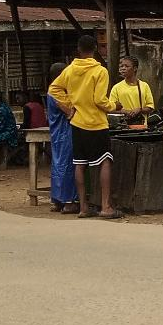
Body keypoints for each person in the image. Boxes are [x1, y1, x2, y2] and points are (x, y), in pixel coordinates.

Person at [48, 35, 122, 219]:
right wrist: (114, 106)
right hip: (96, 123)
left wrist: (69, 106)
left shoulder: (70, 69)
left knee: (80, 164)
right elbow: (100, 100)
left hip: (77, 123)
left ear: (78, 49)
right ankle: (106, 206)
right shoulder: (100, 71)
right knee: (105, 161)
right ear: (95, 48)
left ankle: (83, 208)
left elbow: (53, 89)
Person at [45, 63, 78, 213]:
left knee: (58, 165)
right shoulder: (57, 93)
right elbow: (70, 112)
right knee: (67, 165)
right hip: (65, 133)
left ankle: (57, 200)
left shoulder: (53, 91)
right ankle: (68, 201)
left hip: (57, 133)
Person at [109, 55, 155, 126]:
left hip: (141, 126)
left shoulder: (144, 86)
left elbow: (150, 107)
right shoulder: (116, 87)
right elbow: (111, 108)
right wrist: (125, 111)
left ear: (135, 68)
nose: (123, 68)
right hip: (123, 126)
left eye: (127, 66)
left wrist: (139, 110)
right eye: (122, 66)